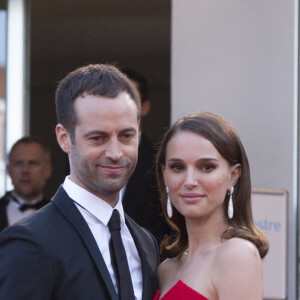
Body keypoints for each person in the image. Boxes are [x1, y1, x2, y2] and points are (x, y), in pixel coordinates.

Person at [0, 64, 159, 300]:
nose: (115, 153)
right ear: (64, 139)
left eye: (126, 136)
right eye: (97, 138)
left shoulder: (146, 242)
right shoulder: (30, 242)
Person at [154, 111, 269, 299]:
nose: (189, 181)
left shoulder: (236, 255)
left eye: (207, 167)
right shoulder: (165, 269)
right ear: (164, 173)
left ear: (233, 175)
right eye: (177, 167)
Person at [121, 68, 169, 244]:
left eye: (131, 98)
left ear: (145, 107)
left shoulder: (161, 158)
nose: (122, 104)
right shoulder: (86, 153)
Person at [0, 136, 52, 233]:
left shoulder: (61, 214)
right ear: (8, 170)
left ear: (47, 170)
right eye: (19, 163)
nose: (25, 170)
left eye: (32, 163)